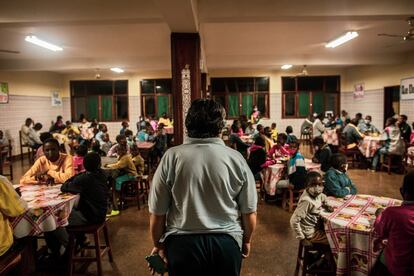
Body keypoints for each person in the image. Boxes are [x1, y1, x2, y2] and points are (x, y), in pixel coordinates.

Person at [148, 99, 257, 276]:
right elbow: (249, 212)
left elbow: (157, 213)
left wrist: (158, 245)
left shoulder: (171, 157)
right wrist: (246, 241)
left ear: (187, 125)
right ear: (221, 127)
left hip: (181, 245)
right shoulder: (236, 159)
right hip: (227, 244)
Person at [373, 171, 414, 276]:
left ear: (402, 191)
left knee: (377, 260)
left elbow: (379, 229)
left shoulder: (392, 213)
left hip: (396, 266)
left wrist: (379, 215)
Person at [61, 152, 108, 226]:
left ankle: (77, 236)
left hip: (91, 218)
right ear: (99, 165)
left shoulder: (83, 179)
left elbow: (63, 187)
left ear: (84, 165)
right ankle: (80, 237)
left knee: (60, 217)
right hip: (101, 213)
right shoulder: (102, 173)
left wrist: (79, 175)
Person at [290, 172, 331, 245]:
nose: (317, 188)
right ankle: (321, 254)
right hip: (310, 233)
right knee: (333, 241)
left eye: (319, 184)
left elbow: (323, 196)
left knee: (332, 233)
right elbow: (293, 221)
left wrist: (326, 205)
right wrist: (302, 238)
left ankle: (320, 253)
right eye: (313, 185)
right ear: (306, 186)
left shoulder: (316, 194)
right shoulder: (306, 201)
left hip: (316, 227)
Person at [0, 175, 27, 257]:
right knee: (25, 237)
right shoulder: (1, 181)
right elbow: (17, 209)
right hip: (2, 246)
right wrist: (15, 196)